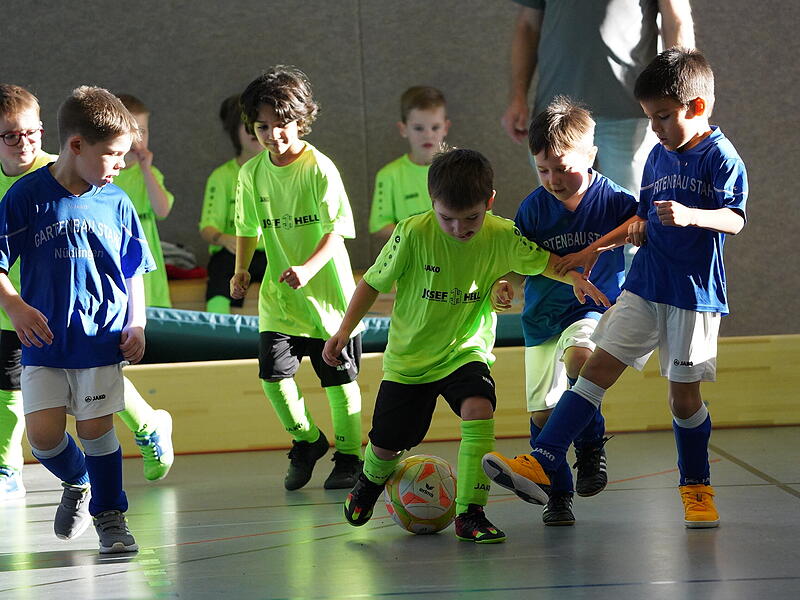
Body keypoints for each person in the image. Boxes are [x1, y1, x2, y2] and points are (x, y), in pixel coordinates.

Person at [484, 48, 747, 529]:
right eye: (650, 118)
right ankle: (544, 458)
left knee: (682, 400)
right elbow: (639, 223)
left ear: (698, 107)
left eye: (663, 117)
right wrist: (594, 250)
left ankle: (696, 486)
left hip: (693, 294)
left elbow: (734, 218)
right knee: (595, 367)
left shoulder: (722, 157)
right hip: (645, 285)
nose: (656, 128)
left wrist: (691, 216)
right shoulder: (655, 159)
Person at [323, 148, 610, 544]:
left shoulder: (500, 233)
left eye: (471, 217)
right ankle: (370, 481)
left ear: (489, 202)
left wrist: (573, 279)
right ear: (432, 203)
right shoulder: (412, 233)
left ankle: (471, 513)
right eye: (448, 219)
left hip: (465, 351)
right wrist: (344, 331)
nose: (460, 228)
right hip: (410, 360)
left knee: (479, 408)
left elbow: (542, 261)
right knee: (388, 443)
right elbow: (371, 282)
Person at [0, 86, 156, 552]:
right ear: (75, 146)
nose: (120, 165)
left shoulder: (118, 203)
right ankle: (79, 481)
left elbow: (134, 269)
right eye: (112, 155)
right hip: (44, 341)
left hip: (99, 338)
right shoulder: (26, 196)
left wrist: (138, 322)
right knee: (44, 439)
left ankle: (111, 515)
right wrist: (14, 305)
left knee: (96, 429)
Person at [491, 96, 638, 526]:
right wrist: (506, 283)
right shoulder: (533, 209)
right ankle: (559, 495)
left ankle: (591, 446)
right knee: (542, 412)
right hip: (540, 319)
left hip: (592, 311)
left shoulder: (616, 201)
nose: (553, 178)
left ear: (591, 155)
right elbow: (520, 262)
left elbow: (643, 233)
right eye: (543, 169)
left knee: (581, 358)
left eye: (563, 167)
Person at [231, 66, 364, 491]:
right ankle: (307, 440)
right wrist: (240, 271)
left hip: (329, 301)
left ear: (302, 120)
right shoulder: (251, 174)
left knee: (338, 381)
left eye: (283, 123)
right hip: (280, 301)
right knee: (273, 376)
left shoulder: (320, 169)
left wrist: (308, 268)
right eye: (263, 126)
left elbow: (337, 230)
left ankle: (349, 456)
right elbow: (247, 228)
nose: (274, 134)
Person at [501, 0, 695, 270]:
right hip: (556, 113)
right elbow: (527, 25)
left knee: (635, 227)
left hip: (630, 109)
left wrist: (680, 94)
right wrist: (517, 96)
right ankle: (570, 308)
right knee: (558, 226)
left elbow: (676, 18)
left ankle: (631, 310)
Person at [200, 94, 267, 314]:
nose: (254, 132)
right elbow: (208, 228)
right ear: (234, 132)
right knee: (221, 269)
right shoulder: (220, 177)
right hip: (234, 254)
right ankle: (218, 326)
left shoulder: (280, 172)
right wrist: (223, 238)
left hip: (270, 253)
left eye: (260, 125)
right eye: (245, 126)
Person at [369, 86, 450, 250]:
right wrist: (419, 237)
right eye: (419, 128)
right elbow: (379, 226)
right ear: (403, 129)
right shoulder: (388, 175)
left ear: (445, 128)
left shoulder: (459, 171)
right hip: (412, 258)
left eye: (435, 127)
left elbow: (480, 217)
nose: (428, 135)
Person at [114, 93, 174, 308]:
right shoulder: (105, 173)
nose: (137, 139)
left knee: (148, 301)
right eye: (130, 132)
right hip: (116, 243)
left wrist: (146, 169)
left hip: (144, 242)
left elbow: (162, 210)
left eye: (143, 131)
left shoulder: (150, 174)